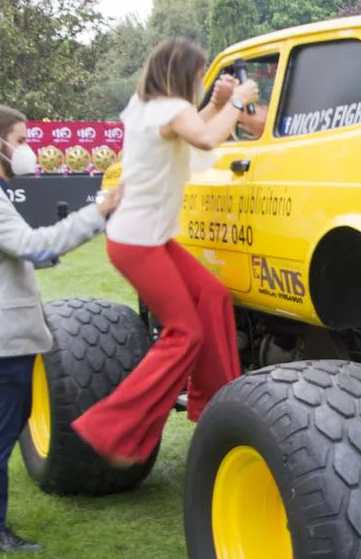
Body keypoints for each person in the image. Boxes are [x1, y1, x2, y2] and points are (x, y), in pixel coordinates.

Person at [71, 39, 265, 468]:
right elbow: (208, 139)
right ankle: (111, 429)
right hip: (137, 243)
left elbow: (191, 131)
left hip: (146, 237)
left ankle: (214, 403)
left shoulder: (151, 108)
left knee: (212, 296)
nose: (200, 82)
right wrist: (236, 100)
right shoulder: (168, 110)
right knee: (185, 333)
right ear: (182, 74)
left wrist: (217, 104)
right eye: (199, 76)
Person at [0, 103, 123, 554]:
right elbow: (30, 245)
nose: (29, 151)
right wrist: (99, 211)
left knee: (7, 422)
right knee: (0, 429)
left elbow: (22, 252)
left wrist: (46, 251)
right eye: (23, 141)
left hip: (2, 331)